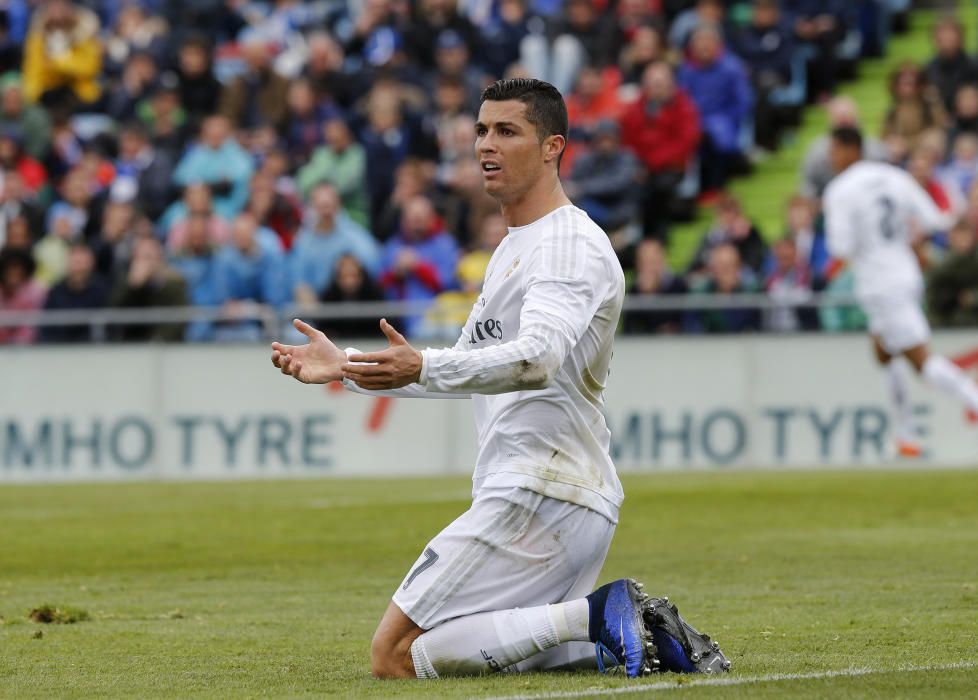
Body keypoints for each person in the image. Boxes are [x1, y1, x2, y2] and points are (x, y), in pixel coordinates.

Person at [269, 78, 728, 680]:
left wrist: (426, 364)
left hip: (540, 488)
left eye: (506, 131)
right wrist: (346, 366)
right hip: (554, 490)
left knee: (394, 655)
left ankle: (596, 617)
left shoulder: (565, 243)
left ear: (552, 147)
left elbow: (537, 359)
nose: (485, 143)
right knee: (454, 654)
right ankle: (628, 635)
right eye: (481, 130)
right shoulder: (518, 244)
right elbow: (468, 369)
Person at [824, 126, 978, 457]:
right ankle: (905, 436)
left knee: (920, 360)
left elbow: (840, 246)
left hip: (880, 283)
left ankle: (972, 401)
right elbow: (936, 220)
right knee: (883, 350)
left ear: (850, 149)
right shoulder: (893, 176)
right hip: (905, 273)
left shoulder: (840, 190)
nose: (830, 157)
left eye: (833, 150)